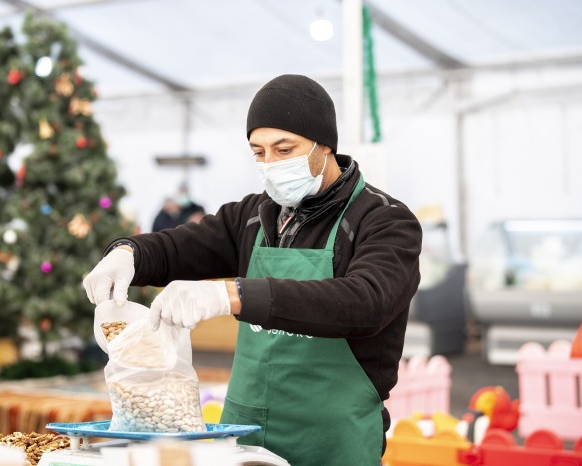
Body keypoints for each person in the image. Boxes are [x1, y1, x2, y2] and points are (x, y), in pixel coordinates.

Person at [83, 74, 422, 465]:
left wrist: (231, 294)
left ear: (324, 145)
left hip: (332, 438)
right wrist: (127, 253)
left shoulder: (384, 221)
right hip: (244, 433)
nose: (270, 163)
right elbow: (183, 247)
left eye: (284, 149)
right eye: (259, 152)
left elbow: (365, 301)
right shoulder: (253, 215)